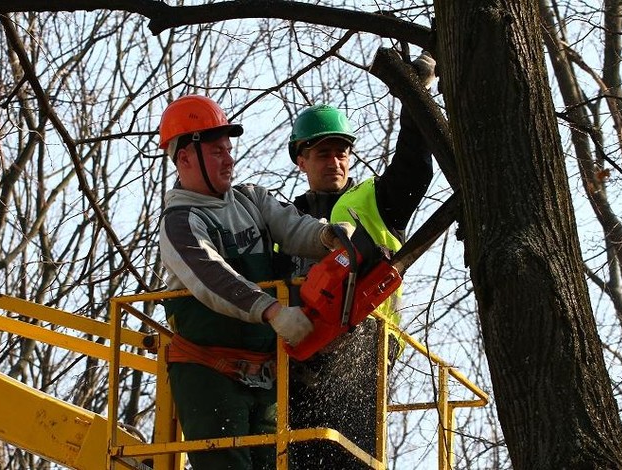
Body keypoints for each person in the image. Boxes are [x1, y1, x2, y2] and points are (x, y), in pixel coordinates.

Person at [157, 94, 353, 470]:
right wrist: (273, 311)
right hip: (208, 374)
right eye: (216, 152)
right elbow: (210, 276)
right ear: (184, 158)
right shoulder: (181, 221)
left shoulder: (251, 199)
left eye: (228, 149)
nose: (229, 159)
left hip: (264, 374)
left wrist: (326, 236)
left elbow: (293, 227)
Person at [285, 53, 437, 468]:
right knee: (294, 455)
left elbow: (413, 166)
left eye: (340, 152)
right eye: (322, 154)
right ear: (302, 160)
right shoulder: (287, 221)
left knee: (349, 455)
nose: (334, 160)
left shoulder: (375, 199)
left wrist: (416, 94)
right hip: (299, 353)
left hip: (364, 345)